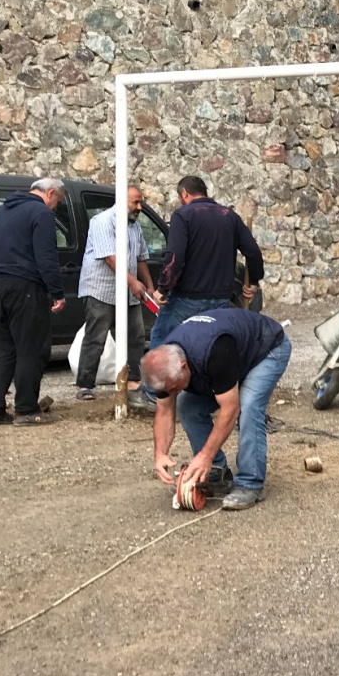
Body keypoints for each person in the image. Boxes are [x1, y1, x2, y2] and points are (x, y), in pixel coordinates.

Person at [144, 308, 291, 511]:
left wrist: (205, 455)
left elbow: (230, 409)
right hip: (232, 357)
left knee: (248, 406)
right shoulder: (163, 367)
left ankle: (251, 483)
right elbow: (164, 411)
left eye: (175, 387)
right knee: (186, 405)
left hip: (266, 348)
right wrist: (160, 453)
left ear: (184, 366)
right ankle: (216, 473)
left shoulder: (215, 351)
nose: (173, 392)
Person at [144, 175, 263, 401]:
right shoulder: (229, 216)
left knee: (162, 336)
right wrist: (254, 281)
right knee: (209, 344)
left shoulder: (183, 216)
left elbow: (175, 256)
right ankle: (210, 392)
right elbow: (253, 252)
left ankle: (155, 392)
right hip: (220, 298)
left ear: (184, 194)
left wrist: (163, 288)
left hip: (187, 297)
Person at [0, 177, 66, 426]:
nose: (56, 207)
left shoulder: (2, 211)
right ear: (50, 193)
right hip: (24, 285)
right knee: (32, 348)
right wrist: (57, 292)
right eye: (58, 202)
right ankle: (27, 409)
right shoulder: (41, 213)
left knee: (6, 348)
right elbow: (46, 256)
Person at [77, 186, 156, 406]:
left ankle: (132, 381)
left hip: (129, 292)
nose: (140, 207)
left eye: (141, 202)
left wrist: (149, 287)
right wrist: (133, 282)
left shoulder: (135, 226)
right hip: (101, 289)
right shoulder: (102, 221)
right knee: (96, 337)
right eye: (135, 202)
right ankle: (85, 385)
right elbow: (109, 258)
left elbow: (141, 258)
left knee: (136, 335)